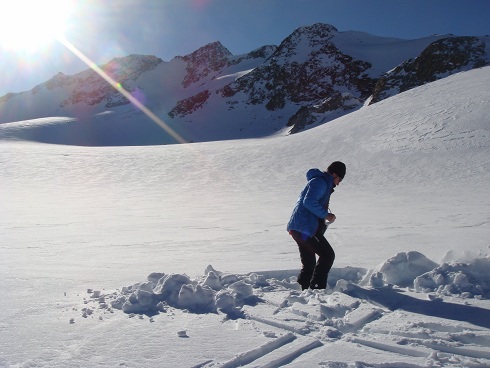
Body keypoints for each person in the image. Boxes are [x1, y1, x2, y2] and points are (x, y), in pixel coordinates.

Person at [287, 161, 346, 290]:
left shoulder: (320, 182)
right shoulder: (320, 182)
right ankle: (317, 290)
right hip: (305, 228)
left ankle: (302, 292)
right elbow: (309, 201)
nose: (339, 183)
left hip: (299, 228)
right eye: (339, 179)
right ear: (334, 174)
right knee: (328, 255)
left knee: (309, 264)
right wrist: (326, 215)